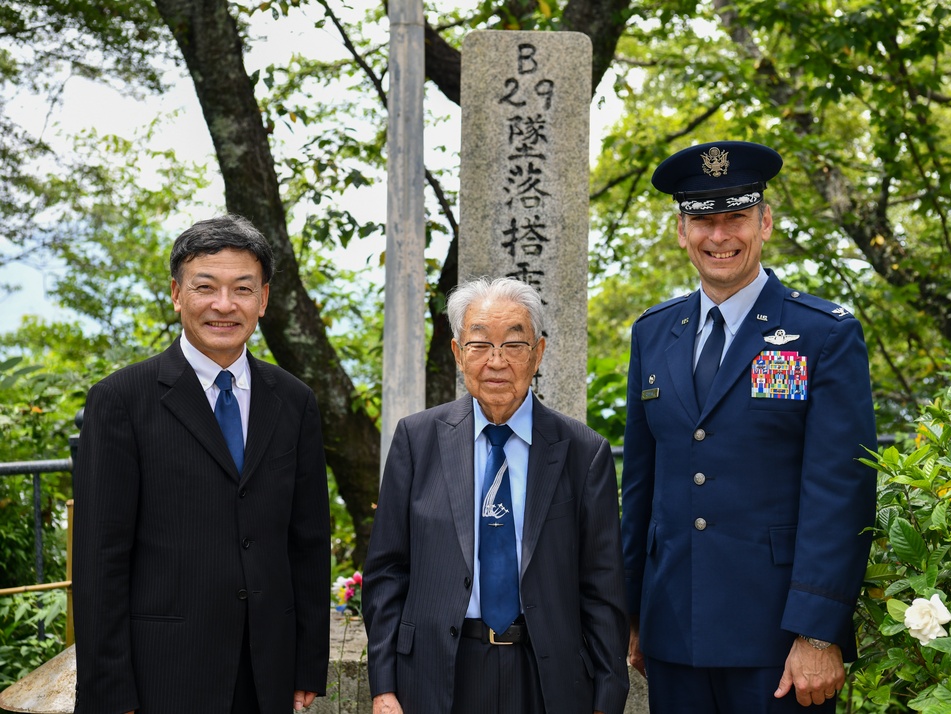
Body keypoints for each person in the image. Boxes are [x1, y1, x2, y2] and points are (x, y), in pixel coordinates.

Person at [620, 141, 876, 712]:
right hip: (672, 630)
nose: (719, 236)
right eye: (703, 220)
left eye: (735, 217)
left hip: (779, 641)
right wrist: (633, 612)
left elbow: (841, 492)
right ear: (680, 231)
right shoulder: (654, 334)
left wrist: (817, 632)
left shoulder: (823, 334)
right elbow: (640, 484)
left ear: (764, 223)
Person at [73, 215, 331, 714]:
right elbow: (99, 559)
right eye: (206, 287)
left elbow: (308, 541)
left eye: (242, 289)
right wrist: (110, 692)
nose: (224, 305)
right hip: (162, 672)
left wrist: (306, 661)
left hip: (267, 670)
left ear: (263, 299)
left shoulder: (294, 401)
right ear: (176, 293)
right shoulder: (122, 400)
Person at [363, 276, 630, 714]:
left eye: (514, 344)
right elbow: (387, 572)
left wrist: (606, 698)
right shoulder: (417, 439)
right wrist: (384, 686)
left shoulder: (584, 452)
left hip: (546, 677)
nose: (496, 361)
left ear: (538, 352)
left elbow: (602, 587)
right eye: (480, 345)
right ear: (457, 353)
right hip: (437, 672)